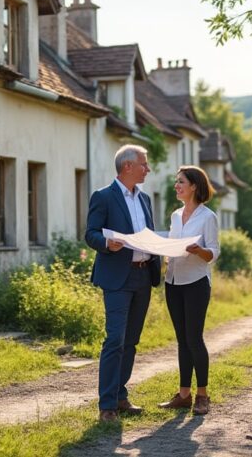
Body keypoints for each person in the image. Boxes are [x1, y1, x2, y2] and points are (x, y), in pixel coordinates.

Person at [85, 144, 161, 423]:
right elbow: (90, 234)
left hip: (143, 274)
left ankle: (120, 395)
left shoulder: (145, 199)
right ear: (127, 166)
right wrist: (107, 242)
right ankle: (106, 406)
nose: (148, 169)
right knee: (115, 339)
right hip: (118, 276)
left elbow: (147, 234)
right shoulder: (103, 197)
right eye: (144, 164)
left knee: (131, 340)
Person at [157, 166, 219, 416]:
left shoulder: (208, 217)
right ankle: (184, 395)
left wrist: (198, 250)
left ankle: (202, 395)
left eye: (181, 181)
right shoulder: (174, 216)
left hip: (196, 283)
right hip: (173, 282)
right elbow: (172, 244)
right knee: (182, 340)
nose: (176, 185)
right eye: (176, 182)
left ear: (194, 186)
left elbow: (213, 253)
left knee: (195, 338)